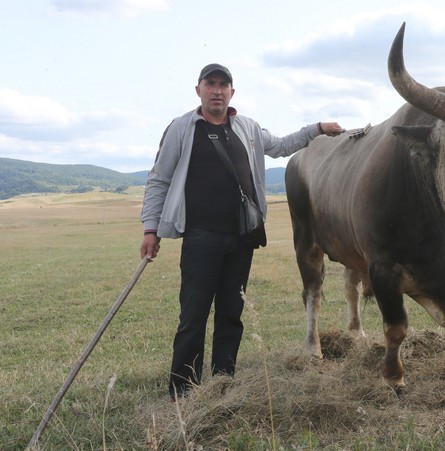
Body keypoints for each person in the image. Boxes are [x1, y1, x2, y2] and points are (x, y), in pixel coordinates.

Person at [140, 63, 344, 400]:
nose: (217, 90)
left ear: (232, 92)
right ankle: (183, 391)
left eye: (224, 85)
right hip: (200, 236)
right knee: (193, 314)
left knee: (232, 314)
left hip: (241, 238)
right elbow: (159, 178)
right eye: (211, 84)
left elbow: (280, 145)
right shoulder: (181, 128)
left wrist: (317, 128)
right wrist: (151, 228)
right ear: (199, 91)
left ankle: (224, 383)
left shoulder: (247, 128)